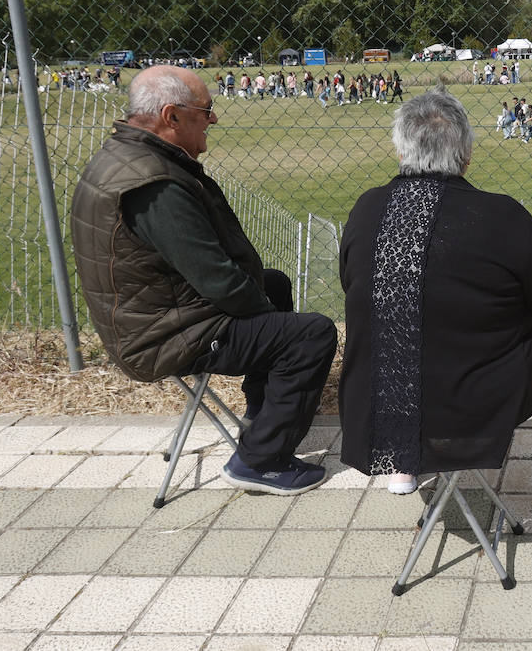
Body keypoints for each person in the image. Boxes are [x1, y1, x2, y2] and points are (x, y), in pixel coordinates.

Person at [69, 66, 337, 495]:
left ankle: (260, 412)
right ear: (171, 117)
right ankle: (260, 460)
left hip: (152, 314)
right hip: (162, 336)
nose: (214, 119)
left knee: (276, 283)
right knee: (312, 334)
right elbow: (219, 281)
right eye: (206, 110)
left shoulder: (127, 155)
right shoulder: (155, 185)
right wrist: (270, 322)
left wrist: (264, 311)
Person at [338, 89, 532, 507]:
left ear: (401, 151)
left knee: (407, 338)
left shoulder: (366, 208)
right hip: (471, 409)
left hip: (379, 406)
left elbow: (353, 289)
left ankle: (403, 464)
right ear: (466, 154)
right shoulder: (501, 215)